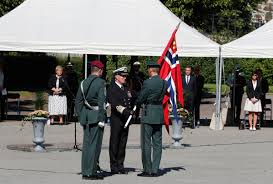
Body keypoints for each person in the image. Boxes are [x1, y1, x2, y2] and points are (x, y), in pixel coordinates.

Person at [75, 60, 106, 180]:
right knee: (94, 145)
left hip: (86, 116)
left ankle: (85, 170)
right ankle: (91, 172)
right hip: (96, 116)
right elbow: (101, 102)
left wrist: (81, 115)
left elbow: (78, 101)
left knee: (87, 145)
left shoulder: (83, 82)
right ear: (100, 71)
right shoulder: (101, 82)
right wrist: (102, 118)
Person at [136, 61, 167, 177]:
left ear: (150, 70)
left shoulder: (147, 83)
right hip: (159, 112)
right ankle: (155, 169)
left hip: (148, 113)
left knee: (146, 143)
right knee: (158, 143)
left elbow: (141, 97)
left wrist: (137, 102)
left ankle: (147, 169)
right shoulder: (164, 83)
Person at [107, 66, 133, 175]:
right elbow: (114, 103)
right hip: (117, 118)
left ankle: (120, 165)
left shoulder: (125, 88)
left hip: (126, 119)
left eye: (125, 76)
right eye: (123, 76)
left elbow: (132, 98)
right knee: (115, 142)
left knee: (123, 142)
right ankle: (114, 166)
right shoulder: (112, 88)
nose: (125, 78)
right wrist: (125, 111)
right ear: (116, 76)